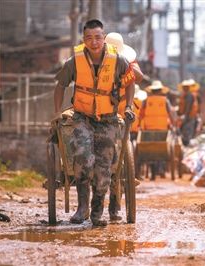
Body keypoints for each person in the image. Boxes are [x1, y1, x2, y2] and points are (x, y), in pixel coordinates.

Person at [53, 19, 136, 226]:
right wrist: (57, 112)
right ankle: (83, 208)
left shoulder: (118, 60)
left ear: (103, 37)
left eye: (98, 37)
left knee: (104, 168)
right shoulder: (75, 61)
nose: (94, 42)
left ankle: (97, 211)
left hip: (107, 120)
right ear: (84, 39)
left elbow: (131, 81)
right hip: (82, 117)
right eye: (89, 38)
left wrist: (128, 106)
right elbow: (60, 85)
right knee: (83, 157)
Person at [105, 32, 144, 221]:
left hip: (120, 112)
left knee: (119, 157)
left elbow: (140, 77)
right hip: (98, 110)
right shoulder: (95, 60)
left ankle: (114, 203)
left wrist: (127, 65)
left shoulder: (128, 61)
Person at [139, 80, 174, 180]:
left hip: (148, 129)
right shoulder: (165, 100)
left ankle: (153, 171)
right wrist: (172, 124)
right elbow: (171, 113)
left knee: (150, 150)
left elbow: (141, 114)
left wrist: (140, 125)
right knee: (161, 150)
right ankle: (160, 170)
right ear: (160, 90)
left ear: (152, 91)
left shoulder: (146, 101)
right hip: (163, 128)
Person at [178, 79, 199, 146]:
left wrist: (185, 115)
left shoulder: (190, 95)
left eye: (186, 87)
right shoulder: (184, 95)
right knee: (184, 130)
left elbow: (188, 106)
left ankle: (186, 143)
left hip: (189, 116)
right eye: (184, 87)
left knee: (187, 130)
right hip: (185, 115)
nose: (185, 88)